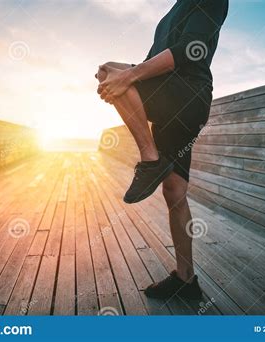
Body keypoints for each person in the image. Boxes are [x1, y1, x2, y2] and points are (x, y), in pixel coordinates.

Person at [96, 0, 228, 300]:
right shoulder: (172, 12)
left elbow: (191, 49)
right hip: (169, 98)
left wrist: (125, 77)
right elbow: (149, 63)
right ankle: (186, 280)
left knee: (114, 75)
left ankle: (150, 158)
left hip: (188, 96)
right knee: (174, 191)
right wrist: (121, 75)